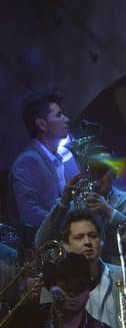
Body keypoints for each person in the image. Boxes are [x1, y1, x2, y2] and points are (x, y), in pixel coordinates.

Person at [42, 144, 126, 265]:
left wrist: (110, 212)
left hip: (123, 276)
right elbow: (41, 241)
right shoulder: (76, 206)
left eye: (102, 170)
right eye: (92, 170)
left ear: (114, 173)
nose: (97, 176)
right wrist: (63, 203)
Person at [9, 92, 77, 249]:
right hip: (48, 250)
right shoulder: (28, 162)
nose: (66, 119)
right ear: (42, 124)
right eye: (59, 115)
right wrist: (69, 227)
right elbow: (28, 212)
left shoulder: (61, 157)